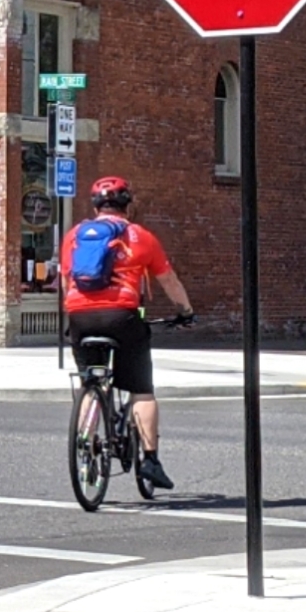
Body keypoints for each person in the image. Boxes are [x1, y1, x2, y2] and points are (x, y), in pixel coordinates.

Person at [61, 175, 196, 493]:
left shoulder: (74, 236)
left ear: (95, 206)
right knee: (142, 390)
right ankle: (150, 460)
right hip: (122, 316)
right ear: (127, 205)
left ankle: (86, 438)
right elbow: (169, 280)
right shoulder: (140, 236)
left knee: (89, 381)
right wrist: (186, 312)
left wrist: (74, 311)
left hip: (80, 316)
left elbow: (68, 280)